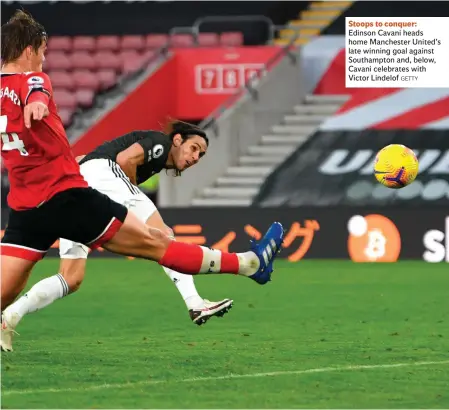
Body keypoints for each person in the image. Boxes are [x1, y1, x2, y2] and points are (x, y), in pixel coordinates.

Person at [0, 10, 285, 352]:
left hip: (25, 207)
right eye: (43, 52)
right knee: (159, 243)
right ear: (29, 50)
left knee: (23, 288)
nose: (44, 60)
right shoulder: (33, 79)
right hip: (67, 197)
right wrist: (37, 102)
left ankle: (10, 319)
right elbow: (36, 90)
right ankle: (248, 263)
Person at [2, 122, 234, 349]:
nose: (195, 157)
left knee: (71, 278)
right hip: (104, 178)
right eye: (194, 148)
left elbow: (83, 159)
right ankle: (194, 302)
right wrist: (128, 204)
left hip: (78, 189)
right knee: (164, 234)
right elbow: (125, 160)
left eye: (201, 155)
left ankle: (12, 314)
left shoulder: (152, 154)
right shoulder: (160, 143)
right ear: (177, 140)